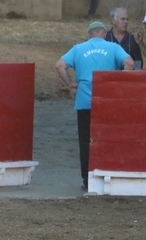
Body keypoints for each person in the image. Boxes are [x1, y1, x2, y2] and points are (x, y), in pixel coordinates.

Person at [56, 21, 133, 190]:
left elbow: (60, 65)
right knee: (107, 137)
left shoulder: (78, 48)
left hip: (84, 100)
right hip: (106, 100)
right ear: (104, 34)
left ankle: (87, 178)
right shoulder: (113, 47)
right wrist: (117, 83)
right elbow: (129, 63)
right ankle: (107, 172)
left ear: (89, 34)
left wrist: (70, 84)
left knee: (85, 140)